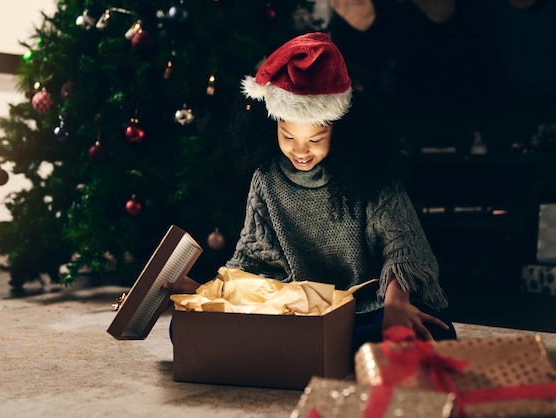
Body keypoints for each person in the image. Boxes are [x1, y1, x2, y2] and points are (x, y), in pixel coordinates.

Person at [166, 32, 456, 347]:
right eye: (288, 137)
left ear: (337, 128)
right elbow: (251, 258)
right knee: (182, 328)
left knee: (430, 333)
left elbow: (403, 249)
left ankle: (309, 349)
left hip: (366, 306)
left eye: (315, 140)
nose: (300, 151)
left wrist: (396, 304)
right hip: (295, 308)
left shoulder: (371, 174)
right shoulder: (266, 179)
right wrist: (204, 292)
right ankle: (321, 348)